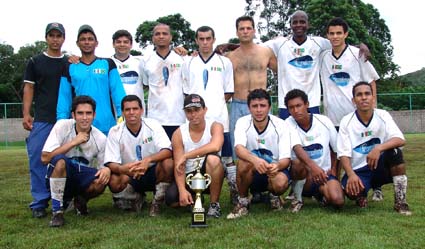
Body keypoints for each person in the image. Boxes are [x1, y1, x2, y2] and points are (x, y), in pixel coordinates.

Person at [320, 17, 382, 201]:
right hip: (333, 116)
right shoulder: (323, 55)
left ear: (346, 34)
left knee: (364, 151)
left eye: (339, 33)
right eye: (331, 33)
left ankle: (376, 186)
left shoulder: (358, 54)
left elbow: (371, 80)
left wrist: (373, 108)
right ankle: (336, 186)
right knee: (337, 154)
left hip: (357, 116)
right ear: (327, 35)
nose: (335, 36)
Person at [337, 82, 411, 215]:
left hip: (379, 166)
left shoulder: (383, 115)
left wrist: (378, 149)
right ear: (354, 100)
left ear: (373, 97)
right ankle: (361, 195)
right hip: (359, 170)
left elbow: (400, 139)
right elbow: (343, 154)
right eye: (359, 95)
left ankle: (400, 202)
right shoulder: (346, 121)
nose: (364, 97)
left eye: (367, 94)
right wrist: (351, 175)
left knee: (395, 152)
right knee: (351, 192)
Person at [182, 26, 237, 204]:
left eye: (208, 38)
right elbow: (187, 93)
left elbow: (228, 91)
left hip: (220, 119)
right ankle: (191, 190)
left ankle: (235, 193)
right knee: (196, 158)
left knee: (227, 159)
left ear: (214, 40)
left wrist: (214, 107)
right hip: (196, 122)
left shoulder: (224, 62)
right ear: (196, 40)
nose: (205, 42)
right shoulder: (188, 63)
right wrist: (197, 113)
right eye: (201, 39)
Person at [226, 16, 278, 203]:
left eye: (249, 28)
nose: (245, 31)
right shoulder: (230, 57)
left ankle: (269, 189)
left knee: (265, 147)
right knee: (239, 150)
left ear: (254, 30)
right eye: (242, 28)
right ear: (237, 31)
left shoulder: (266, 52)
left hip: (261, 105)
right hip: (239, 104)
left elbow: (284, 72)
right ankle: (239, 191)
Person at [41, 96, 110, 227]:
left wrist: (106, 169)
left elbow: (103, 167)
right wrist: (74, 142)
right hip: (60, 174)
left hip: (81, 179)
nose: (84, 117)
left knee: (102, 179)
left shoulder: (100, 138)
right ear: (73, 115)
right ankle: (57, 212)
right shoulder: (62, 126)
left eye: (88, 113)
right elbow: (45, 158)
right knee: (60, 161)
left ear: (94, 115)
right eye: (80, 113)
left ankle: (80, 200)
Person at [22, 22, 68, 218]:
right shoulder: (35, 61)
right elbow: (29, 87)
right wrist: (26, 113)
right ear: (46, 38)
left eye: (59, 36)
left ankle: (66, 199)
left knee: (65, 160)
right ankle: (40, 202)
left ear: (63, 38)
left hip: (65, 119)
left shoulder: (70, 62)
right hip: (42, 118)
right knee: (38, 159)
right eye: (52, 35)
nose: (55, 39)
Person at [104, 95, 174, 217]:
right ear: (122, 112)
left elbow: (168, 150)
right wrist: (123, 169)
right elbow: (110, 162)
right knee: (114, 179)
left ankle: (157, 201)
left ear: (142, 110)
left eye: (135, 109)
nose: (131, 112)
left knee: (168, 163)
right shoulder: (115, 131)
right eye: (127, 109)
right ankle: (135, 197)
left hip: (152, 170)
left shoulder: (153, 125)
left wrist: (148, 160)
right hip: (130, 172)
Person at [226, 89, 291, 219]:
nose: (259, 110)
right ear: (249, 108)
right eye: (255, 106)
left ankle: (274, 196)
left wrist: (276, 166)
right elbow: (239, 148)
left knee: (280, 183)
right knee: (243, 164)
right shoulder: (242, 122)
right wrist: (255, 160)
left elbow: (286, 159)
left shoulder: (281, 125)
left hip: (273, 171)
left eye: (263, 106)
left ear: (269, 107)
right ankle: (243, 202)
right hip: (253, 171)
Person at [57, 24, 126, 135]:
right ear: (77, 43)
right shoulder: (70, 66)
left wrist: (122, 116)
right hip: (80, 127)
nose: (87, 42)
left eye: (90, 39)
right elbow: (64, 98)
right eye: (83, 39)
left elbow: (118, 93)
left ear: (96, 43)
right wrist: (61, 122)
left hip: (107, 126)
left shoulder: (107, 63)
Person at [165, 94, 225, 218]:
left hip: (209, 174)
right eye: (189, 111)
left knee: (213, 160)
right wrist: (182, 190)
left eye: (197, 110)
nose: (193, 114)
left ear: (205, 110)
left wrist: (187, 155)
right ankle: (195, 198)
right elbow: (179, 165)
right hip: (189, 175)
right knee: (172, 199)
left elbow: (215, 146)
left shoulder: (215, 126)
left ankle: (214, 205)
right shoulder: (178, 133)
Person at [285, 89, 344, 212]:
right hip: (305, 176)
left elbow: (337, 150)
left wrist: (333, 171)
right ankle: (298, 198)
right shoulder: (287, 124)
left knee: (338, 201)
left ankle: (321, 193)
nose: (296, 110)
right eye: (291, 108)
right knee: (297, 163)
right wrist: (313, 168)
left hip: (324, 174)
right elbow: (297, 148)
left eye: (299, 105)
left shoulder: (324, 121)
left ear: (307, 104)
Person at [142, 23, 186, 139]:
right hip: (155, 118)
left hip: (178, 117)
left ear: (170, 37)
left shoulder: (182, 59)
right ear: (153, 38)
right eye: (157, 34)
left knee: (177, 153)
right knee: (159, 154)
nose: (161, 36)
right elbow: (146, 85)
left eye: (164, 34)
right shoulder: (145, 61)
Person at [111, 29, 145, 109]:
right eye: (118, 42)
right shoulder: (107, 63)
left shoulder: (141, 62)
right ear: (113, 44)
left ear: (131, 45)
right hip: (115, 113)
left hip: (136, 113)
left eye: (126, 42)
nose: (122, 44)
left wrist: (177, 51)